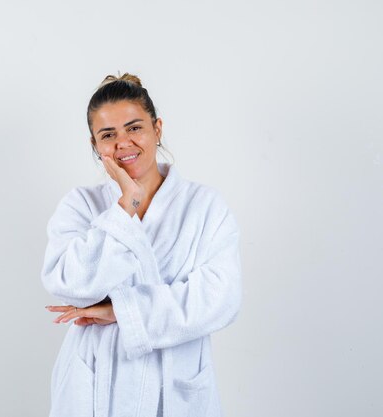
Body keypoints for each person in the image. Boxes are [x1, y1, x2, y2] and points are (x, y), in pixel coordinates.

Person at [41, 73, 243, 417]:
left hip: (174, 384)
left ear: (157, 129)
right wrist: (126, 206)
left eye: (134, 128)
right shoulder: (81, 205)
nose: (123, 143)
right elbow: (68, 284)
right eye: (108, 135)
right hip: (95, 384)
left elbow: (218, 298)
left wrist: (121, 310)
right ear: (95, 145)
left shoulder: (204, 205)